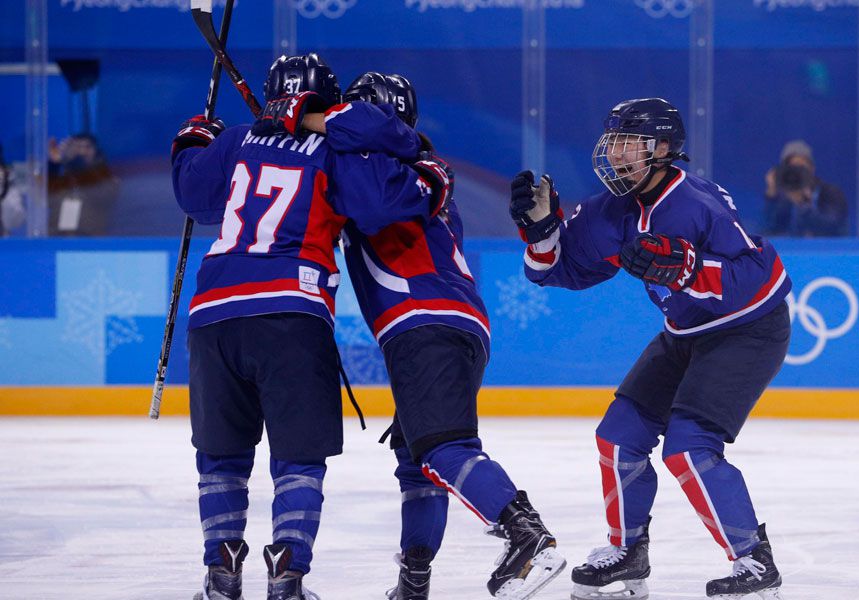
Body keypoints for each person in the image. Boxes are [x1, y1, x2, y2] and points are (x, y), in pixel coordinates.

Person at [171, 53, 450, 600]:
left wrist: (193, 140)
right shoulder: (334, 150)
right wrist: (429, 177)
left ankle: (221, 575)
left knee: (222, 457)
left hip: (214, 312)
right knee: (298, 457)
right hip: (291, 312)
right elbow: (380, 202)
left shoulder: (236, 142)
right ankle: (287, 575)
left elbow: (192, 196)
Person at [296, 72, 567, 600]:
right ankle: (413, 581)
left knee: (444, 447)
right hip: (437, 322)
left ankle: (526, 536)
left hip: (427, 320)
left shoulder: (406, 167)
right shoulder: (400, 166)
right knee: (417, 454)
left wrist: (298, 122)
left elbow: (368, 204)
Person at [510, 98, 791, 600]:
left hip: (746, 330)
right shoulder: (607, 212)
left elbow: (764, 277)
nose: (616, 156)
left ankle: (754, 561)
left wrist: (688, 269)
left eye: (629, 145)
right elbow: (557, 272)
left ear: (663, 149)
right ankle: (628, 553)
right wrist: (541, 232)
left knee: (689, 447)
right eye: (612, 143)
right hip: (684, 335)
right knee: (618, 438)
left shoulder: (698, 204)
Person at [763, 139, 847, 237]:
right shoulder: (781, 199)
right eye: (793, 168)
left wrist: (804, 203)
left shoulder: (831, 193)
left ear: (812, 169)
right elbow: (766, 232)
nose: (796, 175)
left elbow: (834, 226)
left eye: (801, 168)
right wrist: (771, 196)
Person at [47, 133, 119, 236]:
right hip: (58, 242)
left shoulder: (107, 179)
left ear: (96, 151)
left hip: (90, 245)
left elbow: (101, 194)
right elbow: (43, 197)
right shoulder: (63, 179)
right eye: (77, 148)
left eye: (87, 147)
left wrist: (75, 161)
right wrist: (54, 163)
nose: (82, 152)